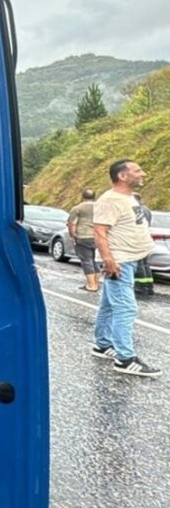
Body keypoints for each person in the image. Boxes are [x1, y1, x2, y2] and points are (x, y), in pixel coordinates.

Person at [91, 159, 161, 377]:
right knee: (126, 308)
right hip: (119, 262)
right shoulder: (110, 200)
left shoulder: (126, 197)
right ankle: (125, 358)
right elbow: (99, 231)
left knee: (110, 306)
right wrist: (109, 259)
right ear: (122, 176)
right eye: (138, 170)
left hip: (130, 259)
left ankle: (102, 344)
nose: (143, 173)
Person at [67, 188, 99, 292]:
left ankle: (91, 285)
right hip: (97, 236)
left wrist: (72, 236)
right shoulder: (100, 207)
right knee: (93, 260)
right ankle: (96, 283)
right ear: (94, 196)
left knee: (86, 260)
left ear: (82, 196)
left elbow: (72, 224)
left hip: (83, 236)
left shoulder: (77, 208)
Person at [132, 192, 156, 298]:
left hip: (138, 238)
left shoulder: (136, 209)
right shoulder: (146, 209)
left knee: (139, 263)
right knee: (145, 263)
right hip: (145, 238)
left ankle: (140, 285)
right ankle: (149, 286)